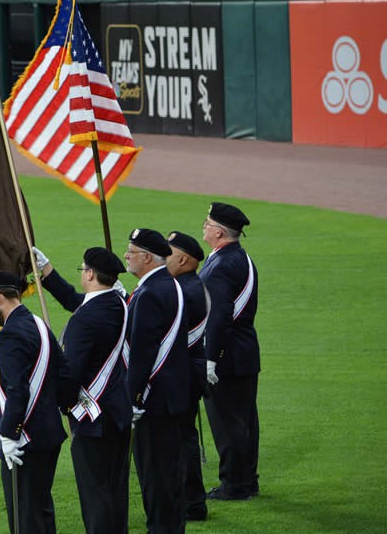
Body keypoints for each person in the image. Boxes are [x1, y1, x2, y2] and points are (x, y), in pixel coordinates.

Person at [32, 246, 132, 534]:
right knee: (115, 489)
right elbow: (78, 301)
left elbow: (71, 374)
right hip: (118, 412)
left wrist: (63, 403)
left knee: (95, 494)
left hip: (93, 420)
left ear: (89, 274)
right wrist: (47, 272)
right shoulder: (117, 303)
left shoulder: (84, 321)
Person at [0, 270, 75, 534]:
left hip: (25, 443)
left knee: (25, 518)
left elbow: (17, 390)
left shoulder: (9, 335)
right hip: (49, 434)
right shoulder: (39, 323)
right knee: (41, 510)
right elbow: (64, 373)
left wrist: (8, 434)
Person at [123, 228, 189, 534]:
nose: (126, 256)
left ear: (147, 258)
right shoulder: (170, 284)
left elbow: (142, 353)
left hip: (154, 401)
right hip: (173, 395)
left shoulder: (149, 293)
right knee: (170, 470)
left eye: (131, 251)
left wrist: (133, 398)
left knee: (155, 474)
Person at [200, 202, 260, 501]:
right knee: (245, 421)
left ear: (219, 232)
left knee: (228, 423)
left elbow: (219, 314)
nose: (204, 226)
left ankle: (234, 484)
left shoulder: (222, 265)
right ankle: (247, 479)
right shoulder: (239, 258)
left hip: (226, 356)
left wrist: (209, 358)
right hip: (243, 352)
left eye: (208, 222)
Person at [165, 231, 210, 522]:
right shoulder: (187, 285)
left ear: (183, 259)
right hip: (188, 371)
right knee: (182, 437)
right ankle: (191, 500)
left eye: (167, 253)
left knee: (181, 439)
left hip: (182, 373)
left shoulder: (186, 290)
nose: (162, 257)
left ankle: (192, 502)